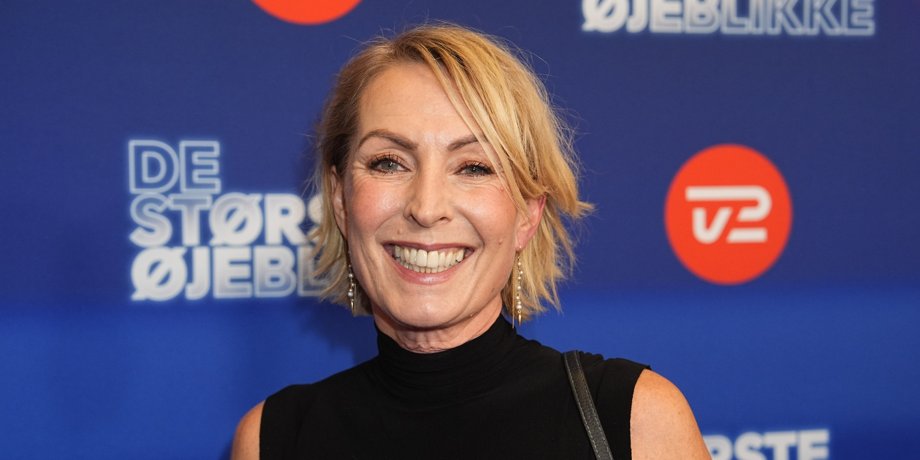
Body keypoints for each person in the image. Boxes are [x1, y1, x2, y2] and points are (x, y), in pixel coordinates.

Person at [232, 23, 709, 460]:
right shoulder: (274, 438)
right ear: (340, 199)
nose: (426, 207)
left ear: (528, 214)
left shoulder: (634, 420)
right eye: (389, 162)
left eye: (474, 167)